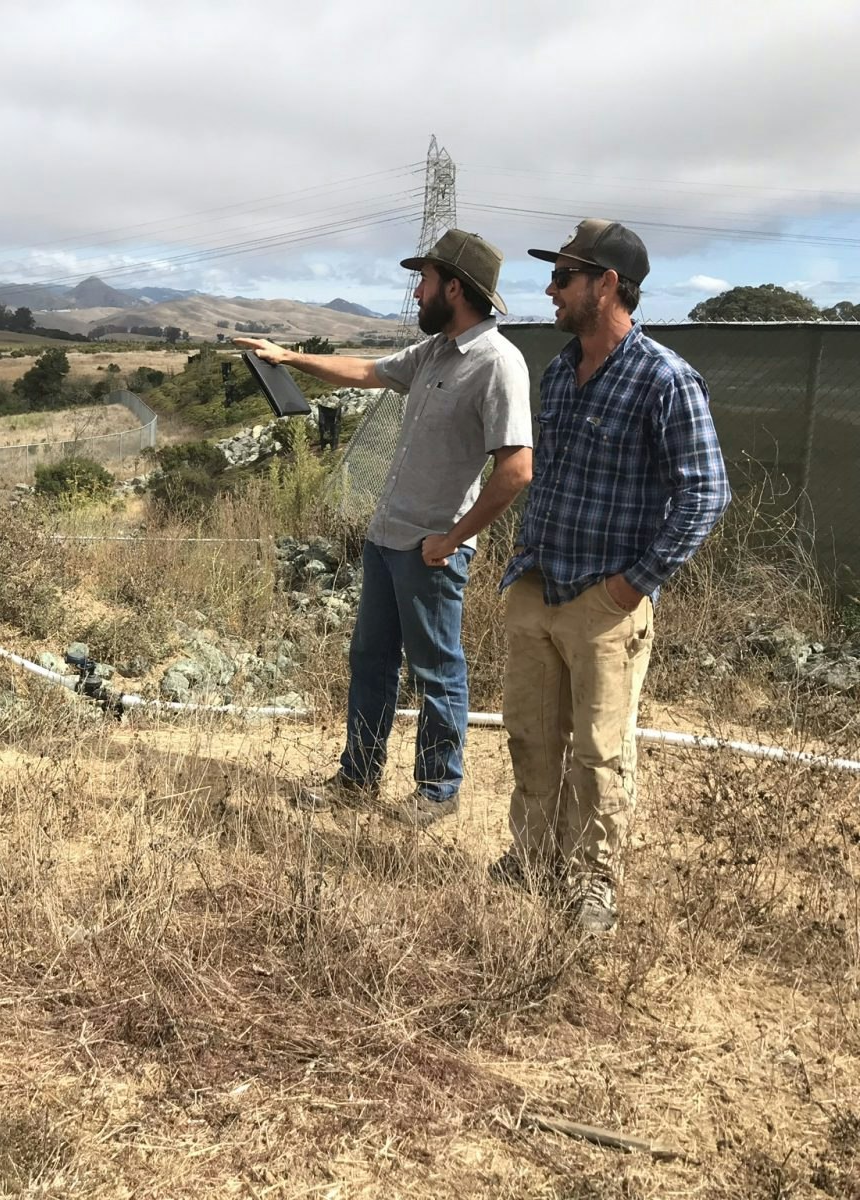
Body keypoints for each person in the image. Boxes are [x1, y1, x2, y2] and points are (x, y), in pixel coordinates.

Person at [238, 228, 532, 825]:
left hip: (431, 550)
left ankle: (437, 791)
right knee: (371, 659)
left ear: (454, 286)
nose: (417, 293)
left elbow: (517, 469)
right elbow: (364, 372)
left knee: (436, 669)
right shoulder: (434, 352)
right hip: (386, 536)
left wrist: (452, 539)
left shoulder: (499, 363)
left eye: (423, 281)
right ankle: (358, 776)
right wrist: (289, 356)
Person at [495, 219, 730, 933]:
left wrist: (634, 585)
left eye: (564, 276)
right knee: (530, 736)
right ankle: (532, 860)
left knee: (600, 752)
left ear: (606, 284)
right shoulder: (561, 372)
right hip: (538, 587)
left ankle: (593, 881)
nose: (550, 289)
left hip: (604, 602)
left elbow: (706, 492)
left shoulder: (665, 378)